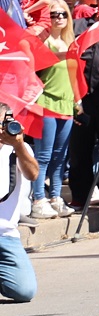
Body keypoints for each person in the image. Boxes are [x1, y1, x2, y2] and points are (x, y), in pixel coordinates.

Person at [24, 0, 78, 219]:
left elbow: (74, 76)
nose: (59, 18)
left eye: (63, 14)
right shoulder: (41, 43)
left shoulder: (71, 42)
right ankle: (38, 199)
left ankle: (55, 196)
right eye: (54, 14)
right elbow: (31, 68)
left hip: (67, 104)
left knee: (60, 156)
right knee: (43, 155)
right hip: (45, 102)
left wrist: (78, 101)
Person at [0, 111, 44, 302]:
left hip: (5, 235)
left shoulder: (19, 149)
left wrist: (17, 145)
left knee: (24, 291)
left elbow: (33, 174)